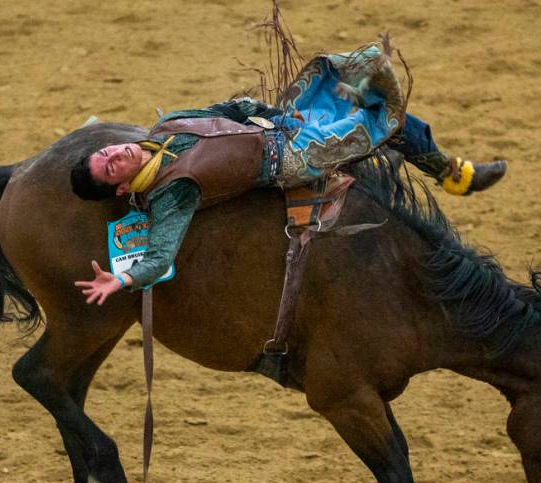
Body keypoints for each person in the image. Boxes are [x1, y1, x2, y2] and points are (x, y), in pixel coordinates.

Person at [72, 44, 506, 305]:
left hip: (282, 126)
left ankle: (453, 173)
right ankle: (452, 175)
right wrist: (122, 279)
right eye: (111, 167)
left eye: (107, 151)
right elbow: (159, 258)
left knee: (350, 80)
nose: (116, 153)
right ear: (124, 186)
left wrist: (267, 112)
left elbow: (227, 111)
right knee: (378, 111)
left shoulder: (165, 129)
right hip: (294, 158)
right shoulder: (173, 190)